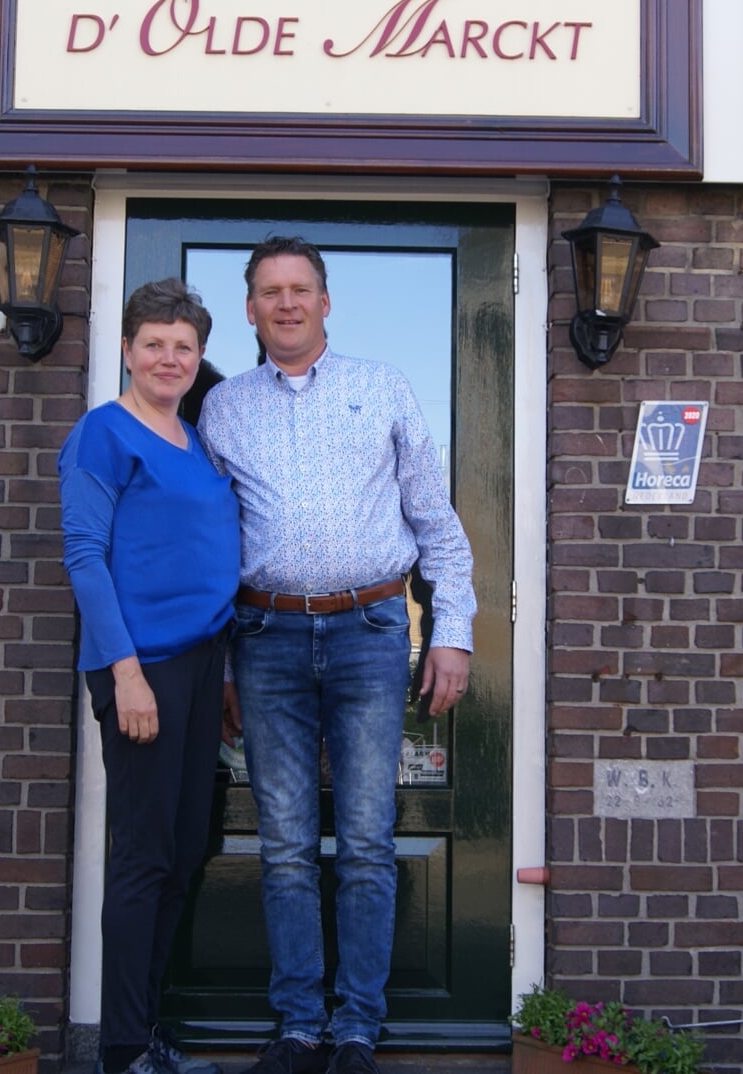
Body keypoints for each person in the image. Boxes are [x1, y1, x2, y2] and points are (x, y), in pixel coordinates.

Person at [198, 237, 476, 1074]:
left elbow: (436, 524)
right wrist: (216, 666)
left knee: (364, 839)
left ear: (326, 302)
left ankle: (357, 1025)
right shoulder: (224, 409)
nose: (286, 303)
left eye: (300, 289)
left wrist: (452, 631)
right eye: (269, 292)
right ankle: (297, 1026)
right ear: (249, 309)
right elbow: (209, 548)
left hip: (370, 635)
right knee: (283, 843)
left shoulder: (381, 388)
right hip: (265, 640)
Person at [58, 279, 241, 1074]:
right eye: (154, 344)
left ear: (200, 358)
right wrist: (125, 672)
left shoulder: (196, 440)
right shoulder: (105, 434)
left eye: (184, 346)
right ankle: (123, 1049)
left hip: (203, 667)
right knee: (142, 858)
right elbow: (84, 560)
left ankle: (147, 1028)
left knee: (188, 844)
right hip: (143, 667)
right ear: (128, 351)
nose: (170, 358)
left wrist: (225, 674)